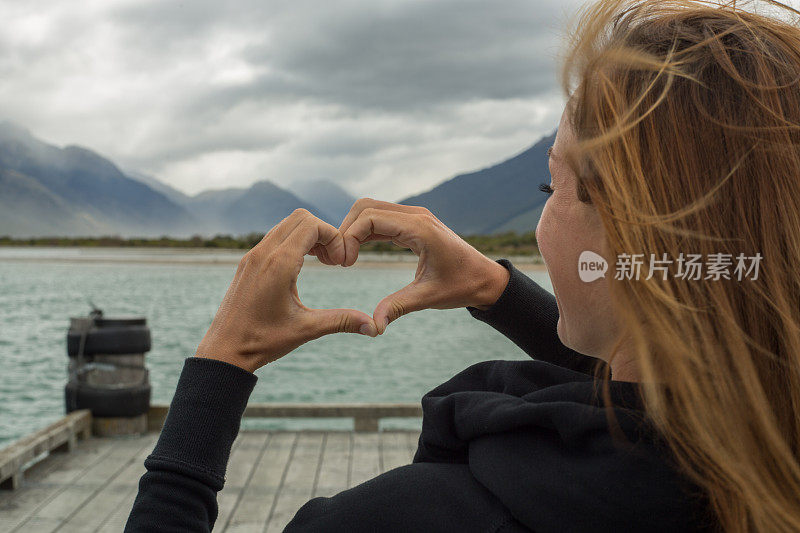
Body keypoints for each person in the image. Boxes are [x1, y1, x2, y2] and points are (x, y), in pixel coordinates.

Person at [124, 0, 800, 531]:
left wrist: (222, 361)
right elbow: (663, 390)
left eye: (552, 187)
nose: (543, 216)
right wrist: (493, 288)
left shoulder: (416, 518)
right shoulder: (759, 459)